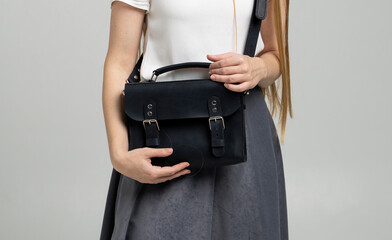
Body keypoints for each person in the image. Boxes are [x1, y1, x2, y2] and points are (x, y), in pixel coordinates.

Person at [101, 0, 292, 239]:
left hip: (243, 135)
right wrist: (119, 155)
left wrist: (259, 68)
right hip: (161, 132)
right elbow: (119, 62)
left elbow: (276, 54)